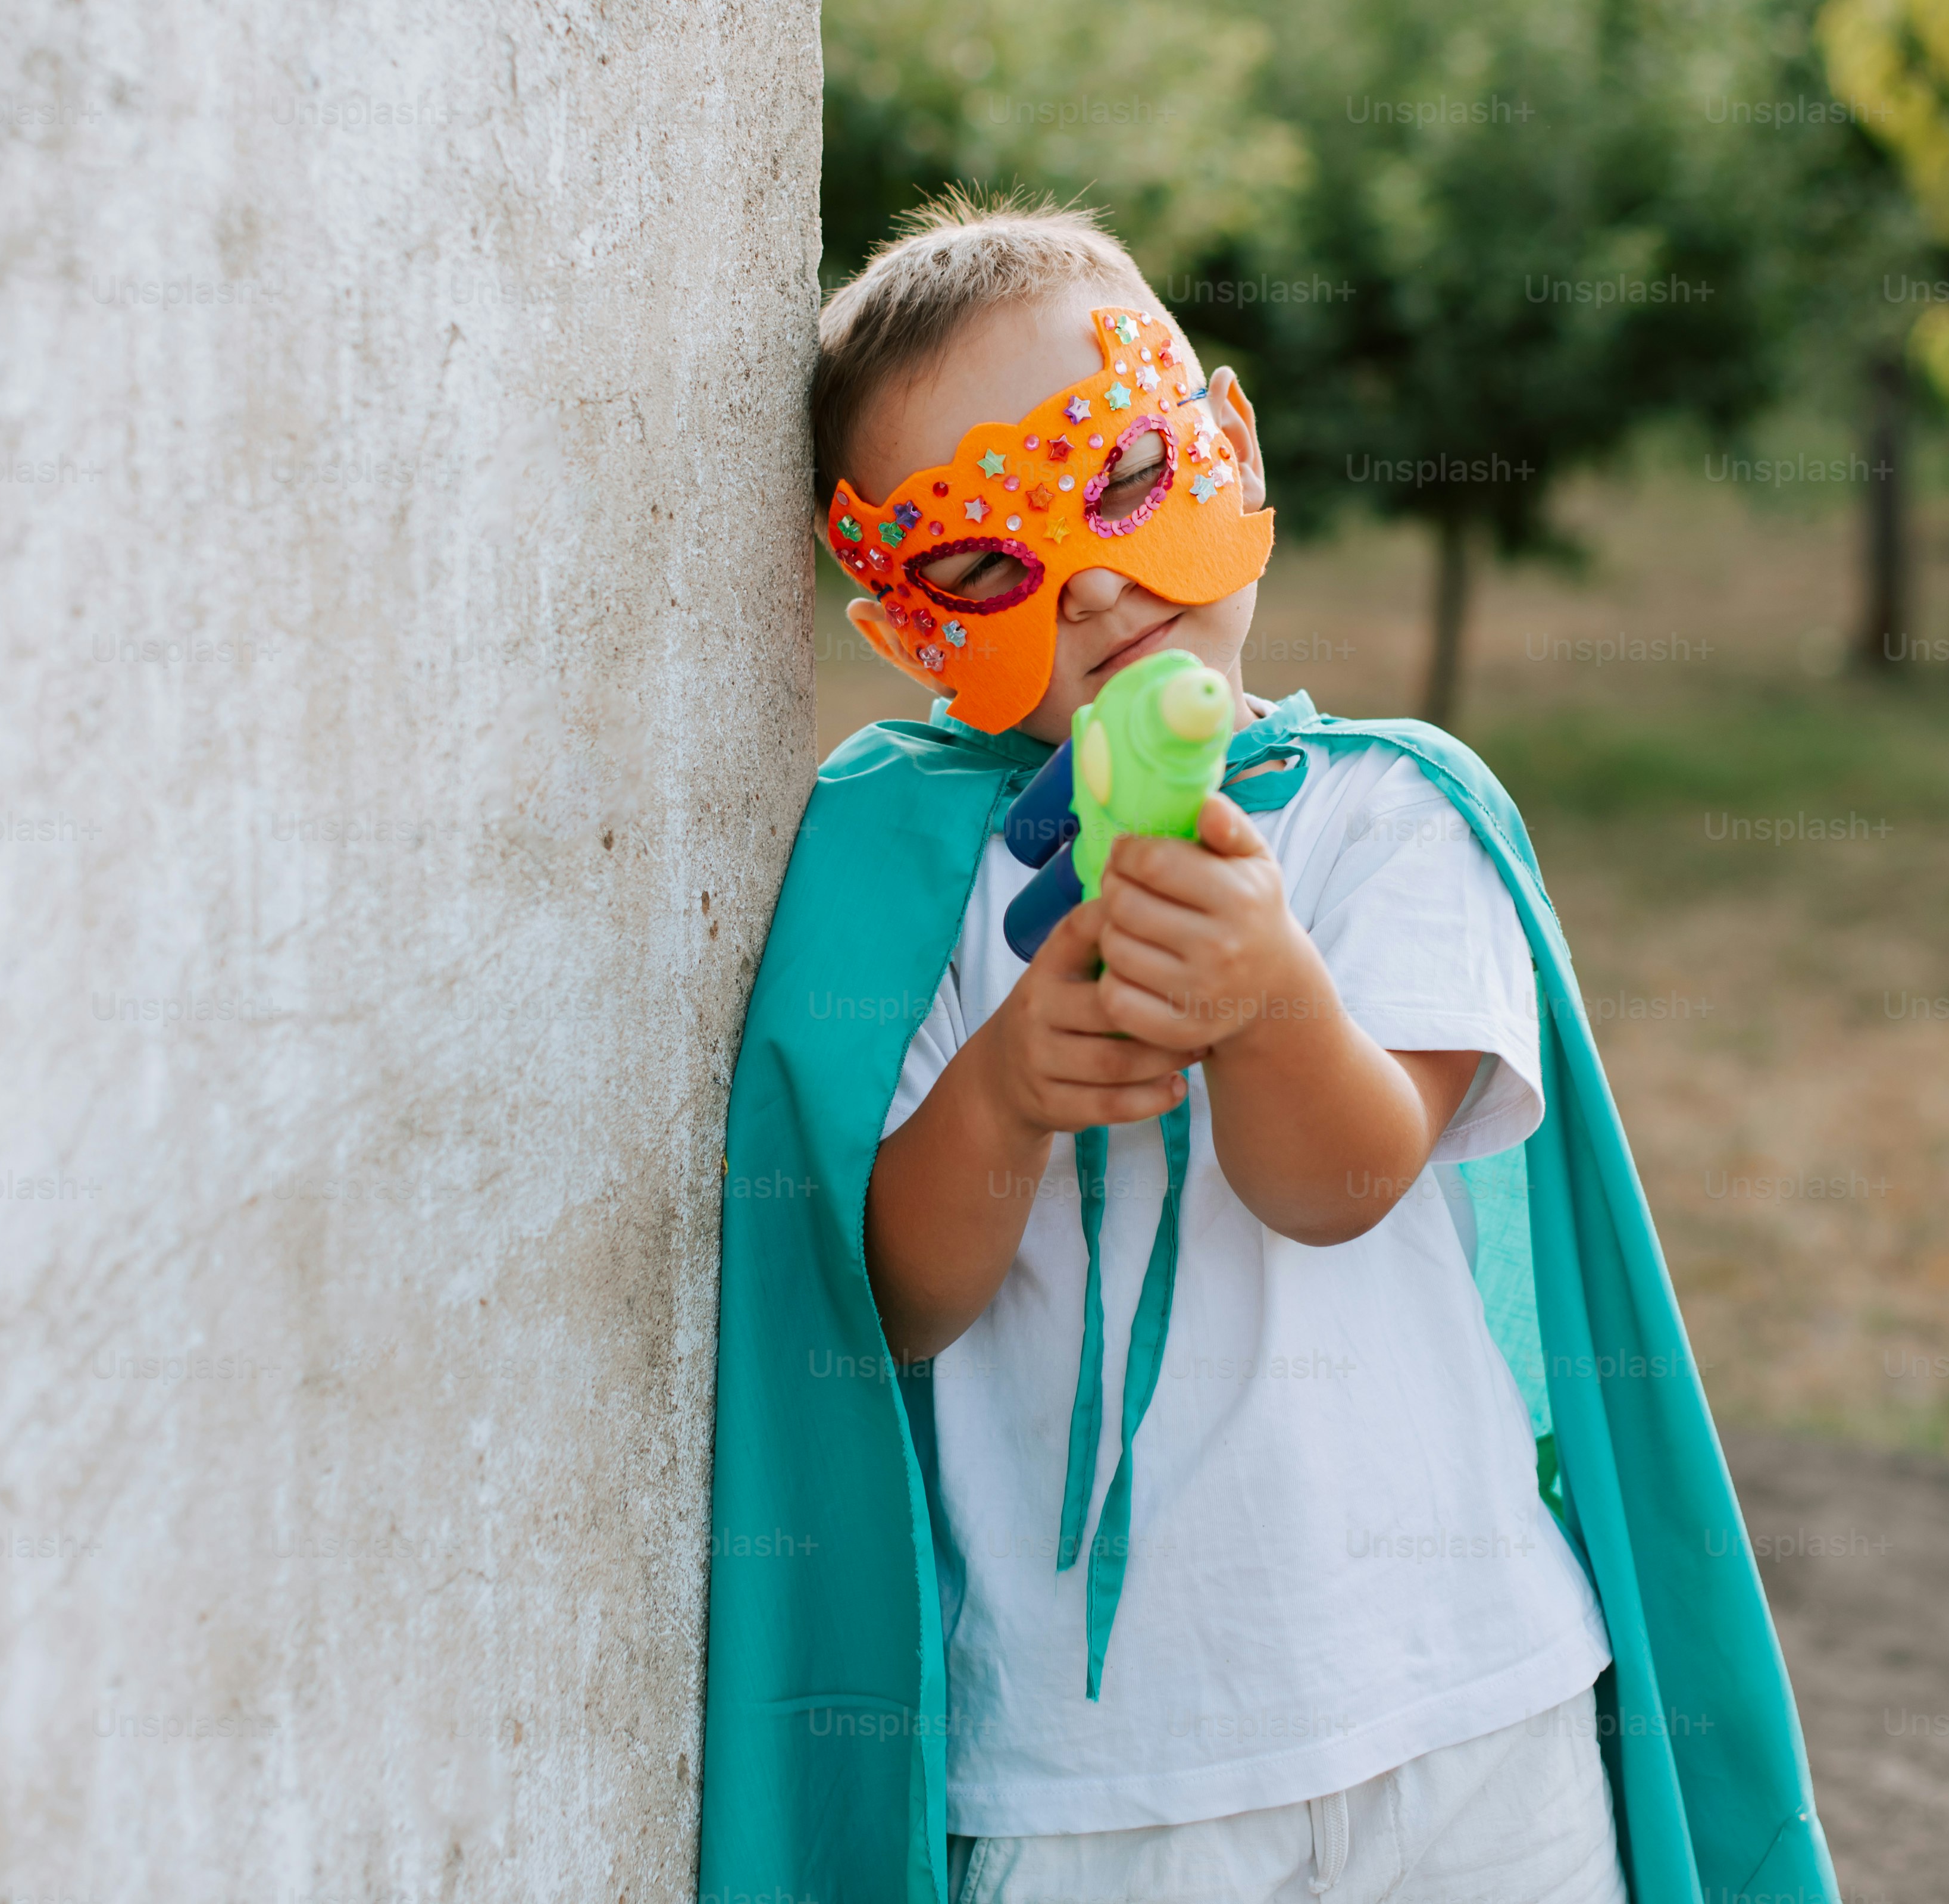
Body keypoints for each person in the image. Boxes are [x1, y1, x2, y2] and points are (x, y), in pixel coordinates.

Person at [704, 198, 1838, 1904]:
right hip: (1100, 1783)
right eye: (981, 558)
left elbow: (1342, 1179)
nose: (1090, 585)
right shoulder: (906, 887)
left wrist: (1267, 990)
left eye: (1123, 479)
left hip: (1461, 1709)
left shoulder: (1389, 820)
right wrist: (1007, 1090)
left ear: (1228, 447)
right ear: (903, 626)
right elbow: (893, 1305)